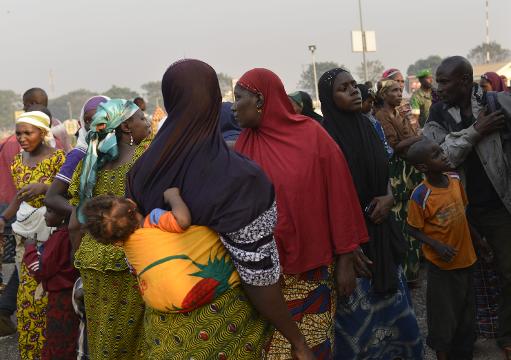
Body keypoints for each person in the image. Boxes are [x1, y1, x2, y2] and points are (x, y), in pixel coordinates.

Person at [127, 59, 315, 359]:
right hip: (224, 327)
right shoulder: (237, 176)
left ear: (169, 100)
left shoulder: (140, 172)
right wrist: (296, 339)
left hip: (164, 328)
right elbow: (258, 275)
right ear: (216, 100)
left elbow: (136, 251)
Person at [233, 68, 368, 359]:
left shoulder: (311, 135)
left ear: (259, 99)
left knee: (312, 349)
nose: (234, 105)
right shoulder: (244, 144)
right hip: (264, 279)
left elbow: (340, 196)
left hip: (310, 273)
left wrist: (346, 257)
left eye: (238, 97)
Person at [318, 68, 423, 359]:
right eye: (343, 88)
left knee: (400, 324)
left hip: (382, 233)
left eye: (354, 85)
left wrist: (389, 198)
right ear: (327, 97)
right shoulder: (323, 138)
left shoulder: (370, 127)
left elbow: (384, 171)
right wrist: (345, 252)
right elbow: (326, 197)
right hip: (353, 247)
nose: (353, 91)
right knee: (358, 329)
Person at [423, 55, 511, 356]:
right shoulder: (436, 113)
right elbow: (439, 156)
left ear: (464, 81)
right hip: (458, 210)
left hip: (498, 206)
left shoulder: (495, 104)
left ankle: (505, 335)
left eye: (445, 81)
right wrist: (476, 131)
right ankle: (465, 339)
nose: (439, 86)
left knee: (508, 271)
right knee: (462, 279)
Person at [68, 99, 151, 359]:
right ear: (126, 126)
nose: (146, 122)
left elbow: (75, 224)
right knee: (138, 339)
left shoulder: (89, 165)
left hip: (91, 263)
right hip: (131, 261)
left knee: (103, 334)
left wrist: (78, 260)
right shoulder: (143, 160)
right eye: (140, 118)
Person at [406, 137, 483, 360]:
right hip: (442, 268)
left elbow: (463, 216)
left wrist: (479, 242)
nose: (444, 155)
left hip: (467, 259)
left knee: (467, 316)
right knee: (443, 319)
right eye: (437, 155)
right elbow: (412, 229)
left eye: (441, 151)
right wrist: (436, 245)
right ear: (423, 167)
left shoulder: (455, 180)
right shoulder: (420, 195)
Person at [44, 95, 109, 359]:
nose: (97, 127)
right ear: (83, 123)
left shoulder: (127, 150)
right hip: (87, 245)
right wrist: (84, 213)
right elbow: (52, 197)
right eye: (90, 121)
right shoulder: (80, 154)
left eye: (103, 120)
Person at [0, 110, 66, 359]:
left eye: (28, 132)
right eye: (18, 133)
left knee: (49, 297)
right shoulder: (18, 162)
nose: (22, 138)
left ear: (44, 133)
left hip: (53, 237)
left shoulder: (58, 159)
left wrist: (45, 188)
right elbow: (18, 198)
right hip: (25, 237)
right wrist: (4, 217)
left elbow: (70, 194)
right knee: (27, 298)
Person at [375, 79, 423, 287]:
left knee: (412, 219)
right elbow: (393, 146)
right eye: (393, 91)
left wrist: (415, 135)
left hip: (410, 172)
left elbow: (410, 136)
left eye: (399, 90)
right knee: (402, 224)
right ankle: (405, 275)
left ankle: (413, 272)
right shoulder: (382, 116)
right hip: (398, 176)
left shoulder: (398, 114)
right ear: (384, 95)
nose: (398, 94)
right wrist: (417, 139)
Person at [22, 202, 79, 359]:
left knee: (58, 339)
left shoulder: (60, 237)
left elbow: (41, 269)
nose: (45, 214)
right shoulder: (71, 234)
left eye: (50, 210)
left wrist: (30, 249)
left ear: (63, 215)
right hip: (72, 294)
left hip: (60, 299)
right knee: (69, 338)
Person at [357, 83, 393, 158]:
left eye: (372, 102)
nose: (372, 105)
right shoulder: (359, 122)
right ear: (360, 101)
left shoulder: (372, 119)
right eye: (369, 102)